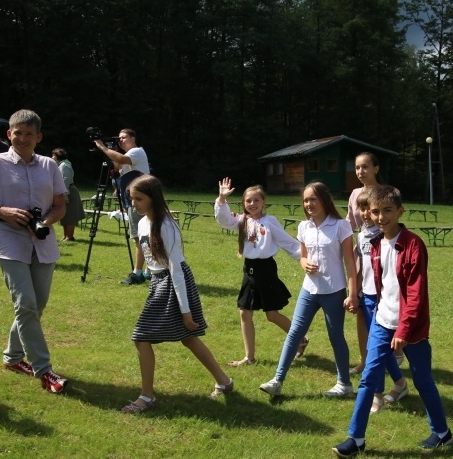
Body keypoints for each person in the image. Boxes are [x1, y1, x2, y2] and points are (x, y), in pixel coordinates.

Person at [333, 185, 453, 459]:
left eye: (387, 211)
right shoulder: (375, 245)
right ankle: (356, 439)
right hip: (381, 322)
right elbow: (381, 287)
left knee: (423, 381)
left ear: (400, 211)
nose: (381, 217)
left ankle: (442, 434)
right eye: (375, 211)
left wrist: (404, 329)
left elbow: (415, 293)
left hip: (412, 328)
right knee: (368, 379)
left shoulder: (413, 245)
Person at [0, 109, 69, 394]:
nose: (22, 138)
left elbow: (60, 206)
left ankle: (12, 358)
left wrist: (44, 222)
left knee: (36, 305)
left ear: (39, 137)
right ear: (8, 134)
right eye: (17, 133)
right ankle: (44, 370)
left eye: (28, 134)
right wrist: (0, 211)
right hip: (8, 240)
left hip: (42, 241)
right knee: (26, 304)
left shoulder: (49, 166)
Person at [121, 174, 233, 413]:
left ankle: (147, 396)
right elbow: (145, 253)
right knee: (188, 338)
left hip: (173, 282)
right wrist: (139, 273)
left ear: (153, 198)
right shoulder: (142, 222)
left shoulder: (166, 225)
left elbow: (176, 269)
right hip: (158, 282)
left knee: (142, 338)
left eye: (139, 199)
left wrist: (185, 311)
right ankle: (224, 382)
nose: (134, 204)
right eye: (132, 199)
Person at [259, 182, 359, 398]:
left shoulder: (341, 226)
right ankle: (277, 380)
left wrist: (352, 294)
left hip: (334, 290)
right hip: (309, 290)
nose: (309, 204)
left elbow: (350, 263)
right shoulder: (304, 226)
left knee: (335, 336)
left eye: (313, 199)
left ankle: (344, 385)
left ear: (324, 199)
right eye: (305, 200)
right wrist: (303, 263)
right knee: (295, 332)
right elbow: (302, 256)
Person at [214, 178, 302, 366]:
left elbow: (287, 242)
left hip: (266, 270)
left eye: (256, 200)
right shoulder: (240, 220)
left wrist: (303, 257)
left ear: (264, 202)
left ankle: (301, 339)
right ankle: (249, 357)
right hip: (249, 269)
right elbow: (223, 220)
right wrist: (221, 199)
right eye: (248, 201)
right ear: (243, 203)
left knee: (272, 315)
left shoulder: (270, 222)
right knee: (245, 313)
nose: (252, 204)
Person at [345, 152, 403, 375]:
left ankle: (394, 353)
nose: (361, 171)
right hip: (363, 256)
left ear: (376, 169)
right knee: (361, 311)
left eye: (365, 167)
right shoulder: (354, 194)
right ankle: (364, 359)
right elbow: (350, 225)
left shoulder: (386, 192)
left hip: (383, 257)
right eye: (357, 167)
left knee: (386, 309)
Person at [352, 187, 406, 414]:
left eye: (368, 209)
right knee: (379, 347)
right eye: (362, 208)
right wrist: (354, 292)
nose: (365, 214)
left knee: (376, 348)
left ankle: (376, 396)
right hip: (366, 295)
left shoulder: (384, 234)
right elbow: (359, 265)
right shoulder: (362, 234)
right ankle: (401, 384)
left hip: (382, 297)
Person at [93, 129, 151, 285]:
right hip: (136, 199)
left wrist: (103, 147)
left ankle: (137, 273)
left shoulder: (136, 152)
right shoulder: (131, 155)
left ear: (133, 138)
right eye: (119, 138)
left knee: (139, 237)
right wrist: (109, 151)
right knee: (144, 236)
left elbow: (121, 159)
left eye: (124, 137)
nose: (120, 140)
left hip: (140, 200)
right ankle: (148, 271)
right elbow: (118, 165)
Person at [51, 148, 85, 241]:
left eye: (53, 155)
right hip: (65, 191)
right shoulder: (61, 164)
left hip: (69, 191)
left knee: (70, 215)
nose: (52, 157)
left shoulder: (64, 165)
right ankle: (66, 235)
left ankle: (69, 236)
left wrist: (65, 196)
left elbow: (64, 180)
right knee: (65, 215)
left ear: (58, 156)